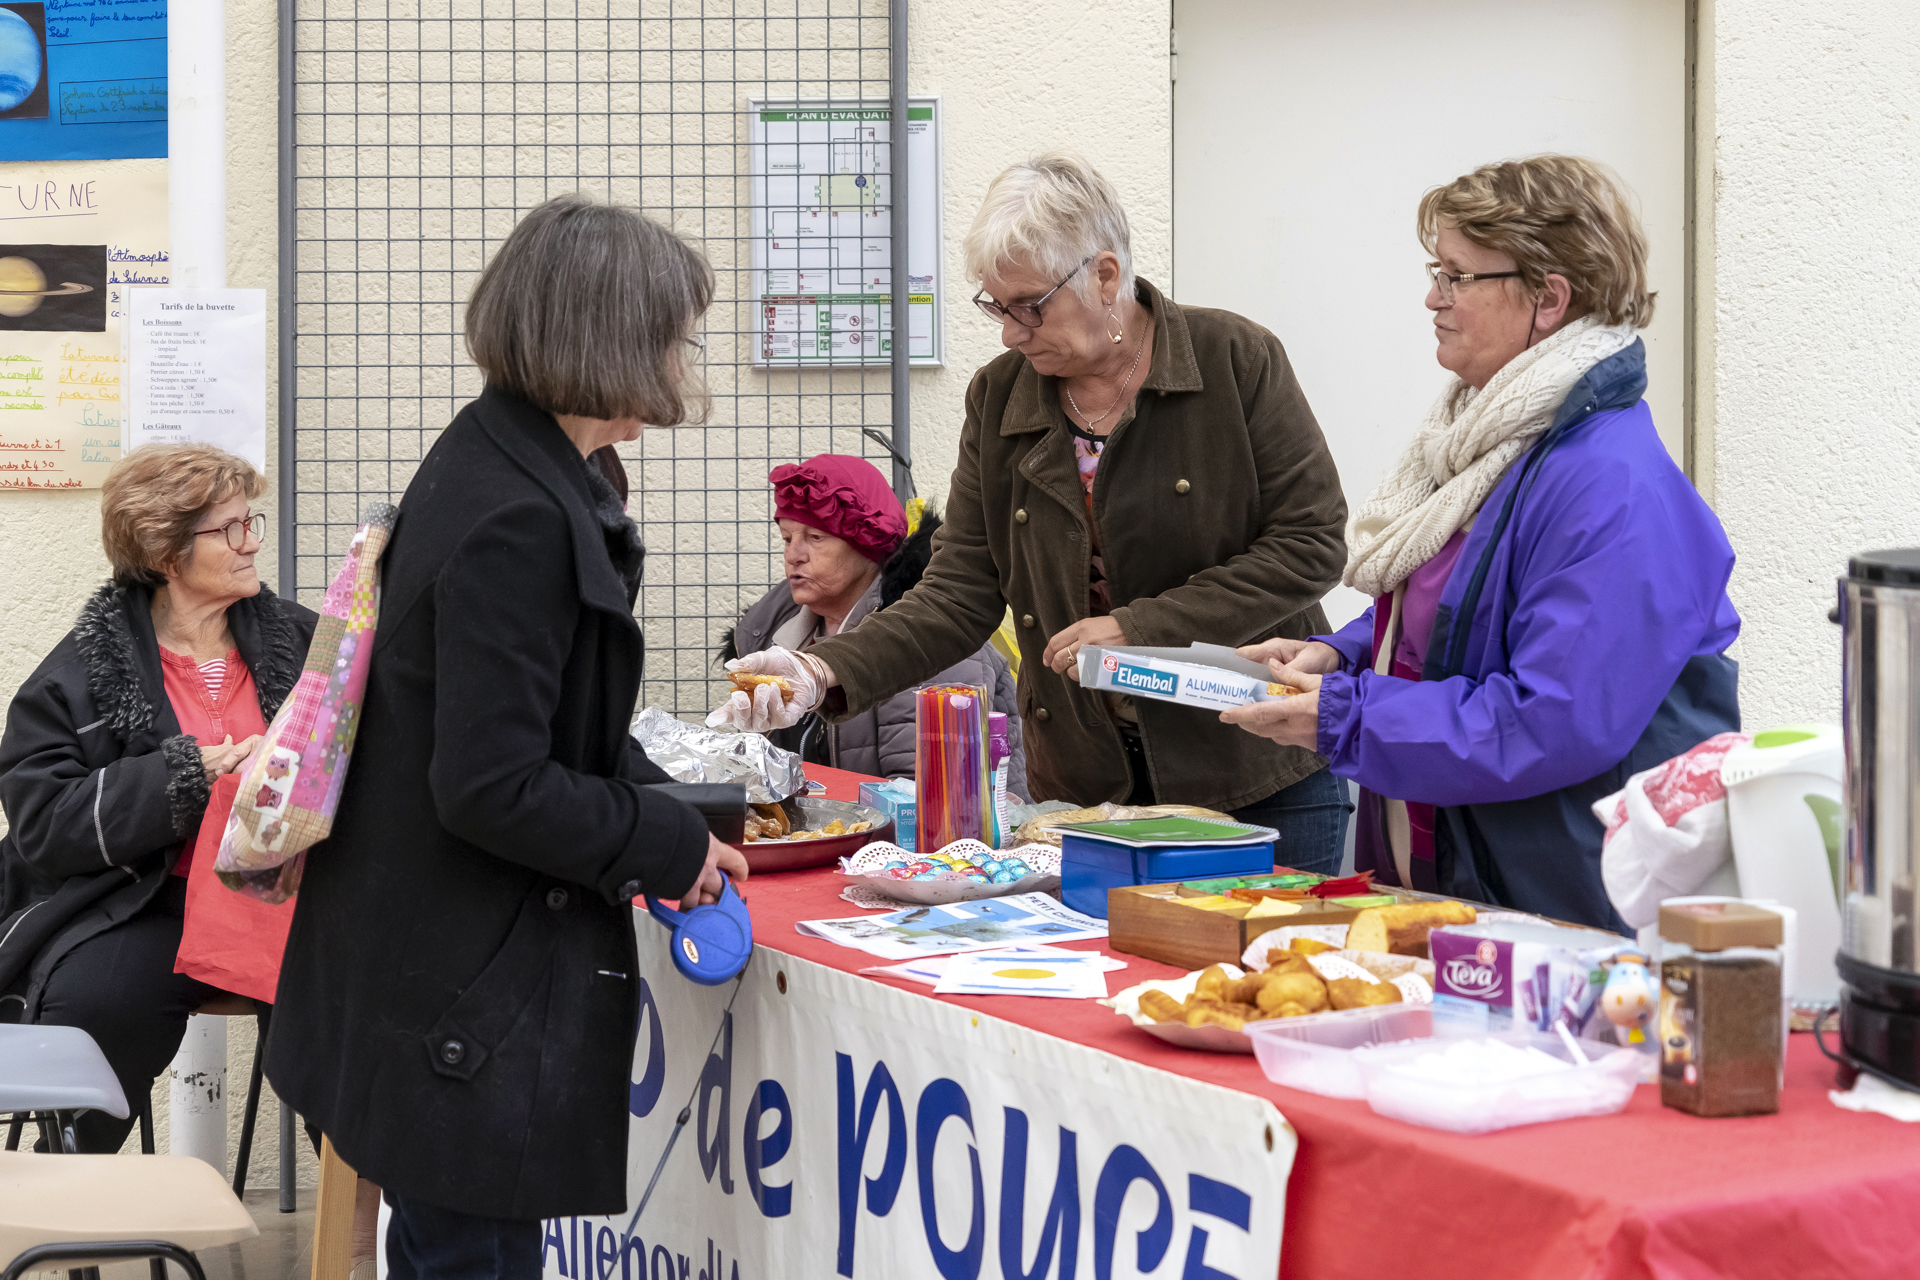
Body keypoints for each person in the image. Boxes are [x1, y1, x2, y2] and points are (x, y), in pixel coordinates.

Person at [265, 193, 748, 1277]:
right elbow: (492, 781)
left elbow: (545, 720)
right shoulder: (525, 514)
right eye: (673, 331)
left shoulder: (498, 456)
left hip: (421, 972)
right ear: (612, 337)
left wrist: (675, 818)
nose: (683, 355)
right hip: (463, 999)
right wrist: (663, 841)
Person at [712, 152, 1352, 873]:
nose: (1012, 332)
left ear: (1105, 276)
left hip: (1253, 770)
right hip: (1085, 791)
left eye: (1030, 306)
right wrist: (819, 671)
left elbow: (1312, 543)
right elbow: (958, 592)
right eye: (996, 306)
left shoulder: (1236, 359)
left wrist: (1137, 629)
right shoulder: (999, 397)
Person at [1223, 156, 1740, 932]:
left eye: (1458, 276)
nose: (1432, 298)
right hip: (1477, 889)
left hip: (1569, 909)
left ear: (1549, 298)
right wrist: (1347, 656)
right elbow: (1462, 610)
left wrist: (1345, 718)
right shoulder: (1495, 442)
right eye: (1438, 271)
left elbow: (1549, 720)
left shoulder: (1611, 485)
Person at [0, 444, 316, 1152]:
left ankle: (368, 1232)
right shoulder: (74, 676)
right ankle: (65, 1209)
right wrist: (184, 777)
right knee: (95, 1006)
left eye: (250, 521)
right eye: (229, 529)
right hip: (146, 899)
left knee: (347, 1015)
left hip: (291, 898)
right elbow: (44, 823)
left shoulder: (306, 644)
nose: (251, 542)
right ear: (167, 554)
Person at [718, 454, 1027, 797]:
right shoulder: (772, 636)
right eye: (788, 538)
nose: (795, 554)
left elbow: (927, 796)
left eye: (816, 537)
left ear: (867, 542)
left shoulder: (927, 637)